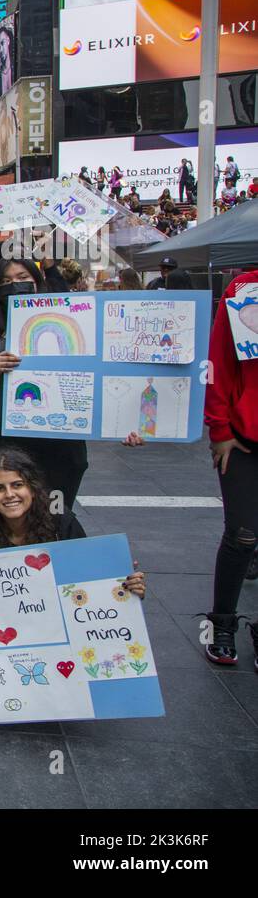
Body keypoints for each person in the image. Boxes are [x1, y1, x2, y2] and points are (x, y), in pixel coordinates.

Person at [0, 255, 88, 517]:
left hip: (54, 437)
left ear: (38, 283)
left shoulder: (67, 322)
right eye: (6, 281)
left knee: (54, 512)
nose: (14, 285)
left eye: (22, 278)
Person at [0, 450, 147, 602]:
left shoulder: (61, 521)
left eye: (17, 485)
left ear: (32, 489)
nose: (9, 494)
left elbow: (90, 573)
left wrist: (126, 582)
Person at [201, 266, 258, 668]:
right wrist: (219, 428)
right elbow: (218, 357)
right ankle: (223, 622)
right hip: (244, 437)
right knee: (242, 534)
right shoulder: (245, 286)